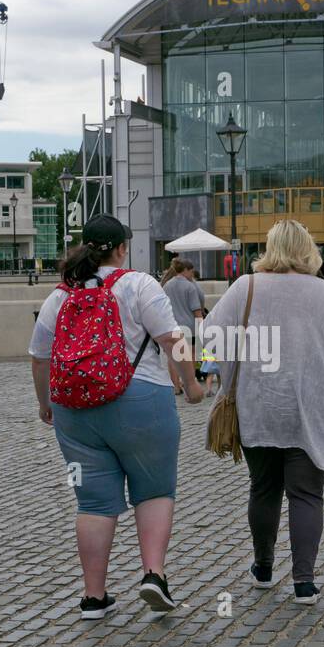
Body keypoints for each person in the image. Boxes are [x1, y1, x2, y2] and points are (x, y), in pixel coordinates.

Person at [29, 215, 203, 620]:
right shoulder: (139, 284)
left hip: (75, 410)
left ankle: (94, 596)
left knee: (92, 502)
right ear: (123, 248)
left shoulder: (61, 295)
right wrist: (191, 386)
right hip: (141, 398)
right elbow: (172, 339)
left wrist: (45, 404)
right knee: (155, 489)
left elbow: (39, 357)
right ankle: (153, 575)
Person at [203, 220, 324, 605]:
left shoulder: (244, 287)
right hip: (307, 409)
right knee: (306, 494)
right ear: (307, 249)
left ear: (270, 247)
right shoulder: (322, 292)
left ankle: (263, 568)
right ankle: (304, 582)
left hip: (257, 406)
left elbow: (210, 338)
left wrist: (225, 369)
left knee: (263, 488)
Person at [160, 259, 206, 394]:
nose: (192, 274)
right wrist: (202, 327)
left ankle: (175, 386)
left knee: (172, 356)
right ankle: (189, 384)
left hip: (172, 325)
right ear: (186, 270)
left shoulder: (167, 285)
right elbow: (197, 311)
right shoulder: (190, 286)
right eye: (191, 271)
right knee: (190, 355)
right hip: (189, 327)